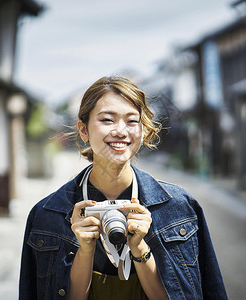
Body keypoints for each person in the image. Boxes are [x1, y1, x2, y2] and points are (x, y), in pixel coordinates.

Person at [19, 76, 228, 300]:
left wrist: (139, 249)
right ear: (83, 130)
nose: (121, 131)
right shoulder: (46, 215)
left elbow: (210, 291)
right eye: (107, 120)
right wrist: (85, 250)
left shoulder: (181, 207)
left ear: (143, 130)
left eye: (131, 121)